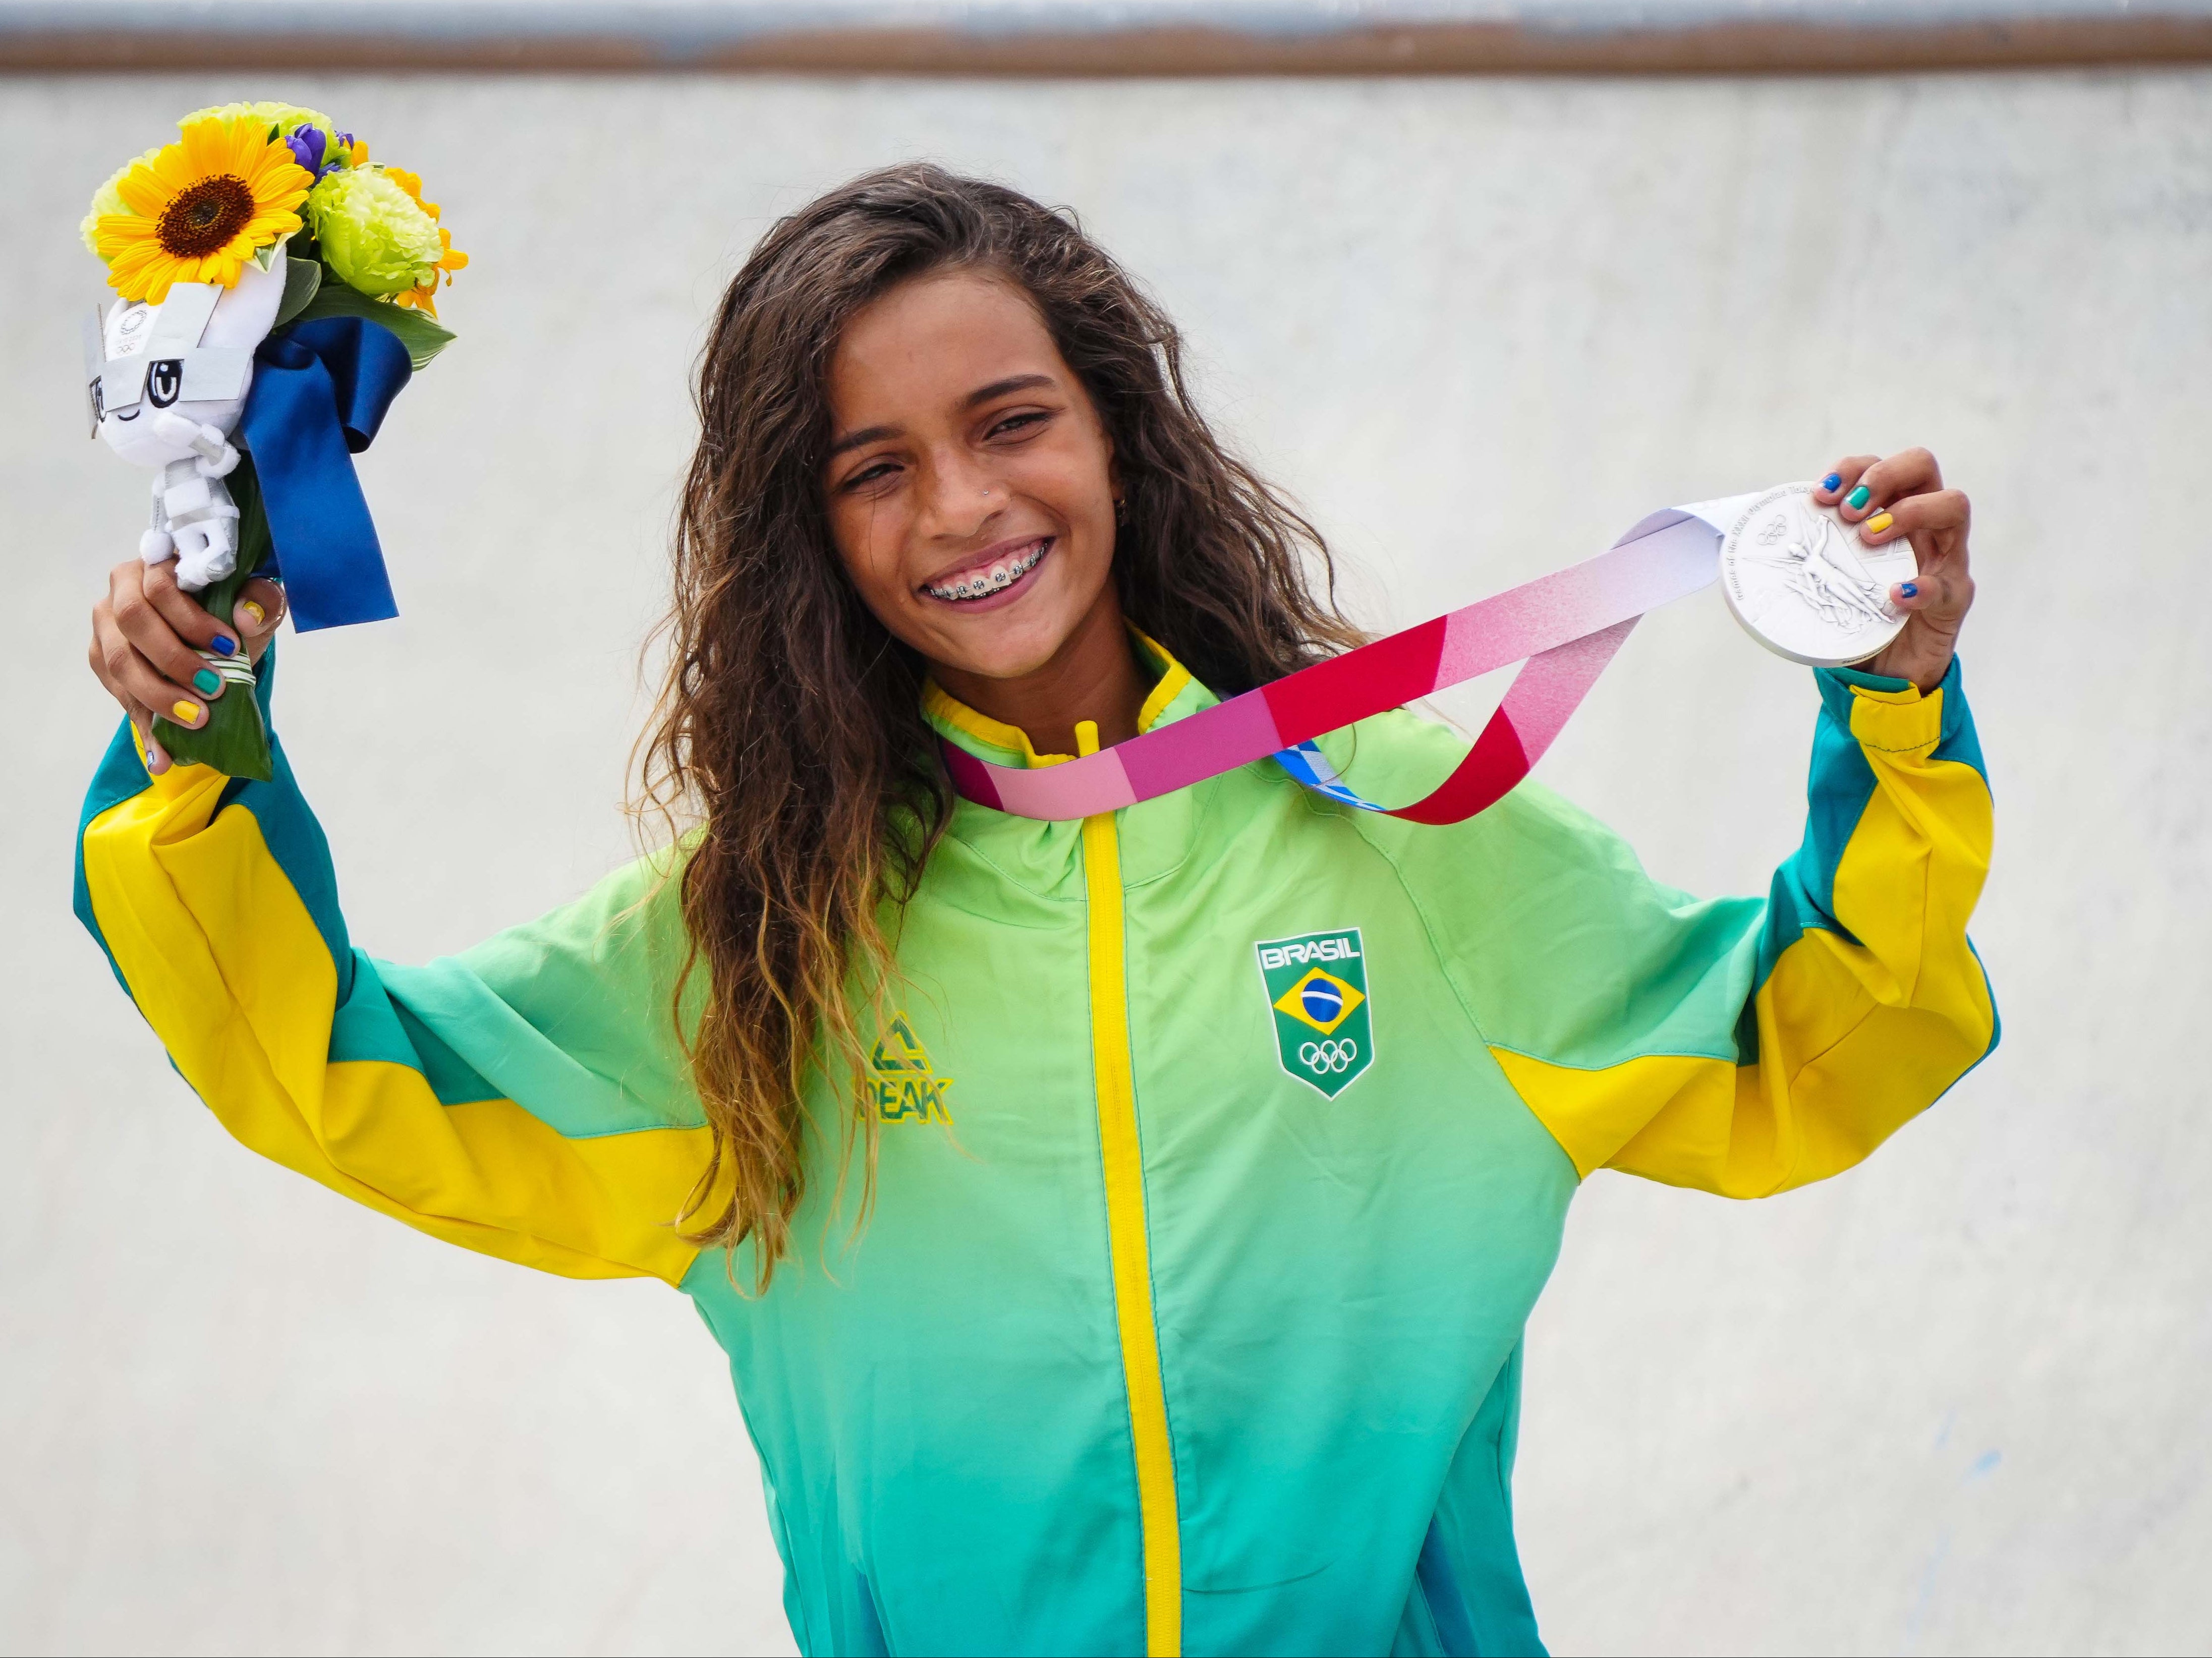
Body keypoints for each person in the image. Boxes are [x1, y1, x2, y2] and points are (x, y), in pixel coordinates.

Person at [77, 164, 1995, 1657]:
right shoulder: (761, 937)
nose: (962, 508)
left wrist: (1888, 701)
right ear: (807, 532)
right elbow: (346, 1066)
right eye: (873, 469)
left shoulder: (1405, 825)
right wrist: (199, 749)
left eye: (1011, 422)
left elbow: (1796, 1051)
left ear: (1114, 434)